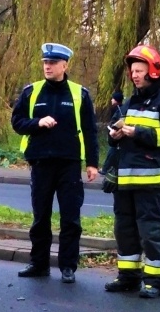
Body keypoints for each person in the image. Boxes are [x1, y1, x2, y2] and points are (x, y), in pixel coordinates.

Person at [11, 42, 99, 282]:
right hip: (40, 163)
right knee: (41, 218)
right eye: (45, 63)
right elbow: (17, 122)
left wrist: (92, 163)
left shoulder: (79, 94)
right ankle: (39, 264)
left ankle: (68, 266)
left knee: (70, 218)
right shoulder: (32, 91)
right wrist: (37, 123)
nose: (47, 67)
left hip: (69, 164)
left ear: (64, 65)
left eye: (52, 63)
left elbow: (91, 131)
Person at [104, 44, 160, 298]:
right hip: (125, 179)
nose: (135, 75)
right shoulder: (131, 101)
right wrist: (115, 134)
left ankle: (155, 281)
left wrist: (136, 132)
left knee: (150, 231)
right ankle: (128, 277)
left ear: (153, 71)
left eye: (140, 70)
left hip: (149, 180)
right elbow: (120, 134)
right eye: (133, 71)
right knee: (124, 229)